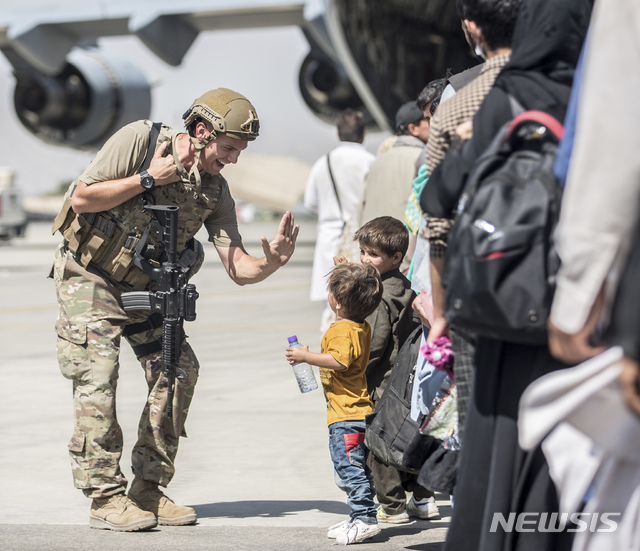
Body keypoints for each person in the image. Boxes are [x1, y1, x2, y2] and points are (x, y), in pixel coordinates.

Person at [50, 88, 299, 532]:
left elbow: (238, 268)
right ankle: (104, 497)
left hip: (146, 289)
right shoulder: (141, 141)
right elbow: (82, 198)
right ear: (202, 133)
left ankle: (147, 487)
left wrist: (272, 262)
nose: (234, 159)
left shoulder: (215, 193)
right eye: (229, 149)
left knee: (179, 368)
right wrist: (148, 179)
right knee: (98, 375)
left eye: (239, 151)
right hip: (90, 278)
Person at [420, 1, 592, 550]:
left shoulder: (505, 96)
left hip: (502, 312)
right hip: (582, 318)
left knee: (493, 460)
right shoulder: (604, 100)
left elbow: (437, 196)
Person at [420, 0, 520, 442]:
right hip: (566, 289)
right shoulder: (573, 89)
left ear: (471, 28)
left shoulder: (457, 99)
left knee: (483, 428)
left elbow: (438, 219)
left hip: (481, 291)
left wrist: (440, 316)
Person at [285, 262, 383, 545]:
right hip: (358, 412)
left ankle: (364, 519)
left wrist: (306, 357)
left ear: (337, 303)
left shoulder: (342, 330)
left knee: (350, 471)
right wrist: (349, 266)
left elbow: (339, 361)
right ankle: (360, 516)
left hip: (346, 416)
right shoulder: (359, 324)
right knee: (358, 470)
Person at [348, 216, 438, 523]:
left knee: (380, 443)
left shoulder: (380, 296)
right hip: (409, 378)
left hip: (382, 381)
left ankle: (393, 506)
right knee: (412, 438)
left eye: (372, 254)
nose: (365, 259)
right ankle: (424, 499)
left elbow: (374, 343)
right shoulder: (406, 287)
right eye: (362, 252)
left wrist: (354, 369)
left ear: (396, 257)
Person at [304, 109, 375, 332]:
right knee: (361, 299)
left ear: (337, 133)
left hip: (329, 238)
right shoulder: (371, 162)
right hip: (360, 239)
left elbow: (310, 204)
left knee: (333, 300)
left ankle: (331, 348)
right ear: (363, 134)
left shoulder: (321, 163)